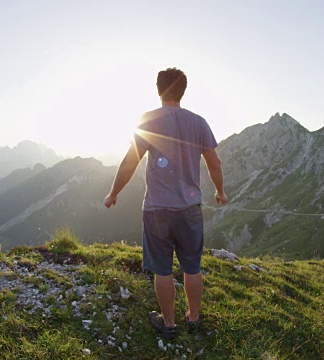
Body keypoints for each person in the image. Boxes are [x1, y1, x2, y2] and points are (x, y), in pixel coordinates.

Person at [104, 67, 227, 339]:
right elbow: (214, 162)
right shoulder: (199, 122)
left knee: (162, 268)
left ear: (158, 90)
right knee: (192, 266)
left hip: (158, 209)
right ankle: (193, 319)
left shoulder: (148, 120)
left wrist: (114, 193)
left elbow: (130, 161)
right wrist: (220, 191)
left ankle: (168, 324)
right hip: (190, 208)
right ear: (183, 91)